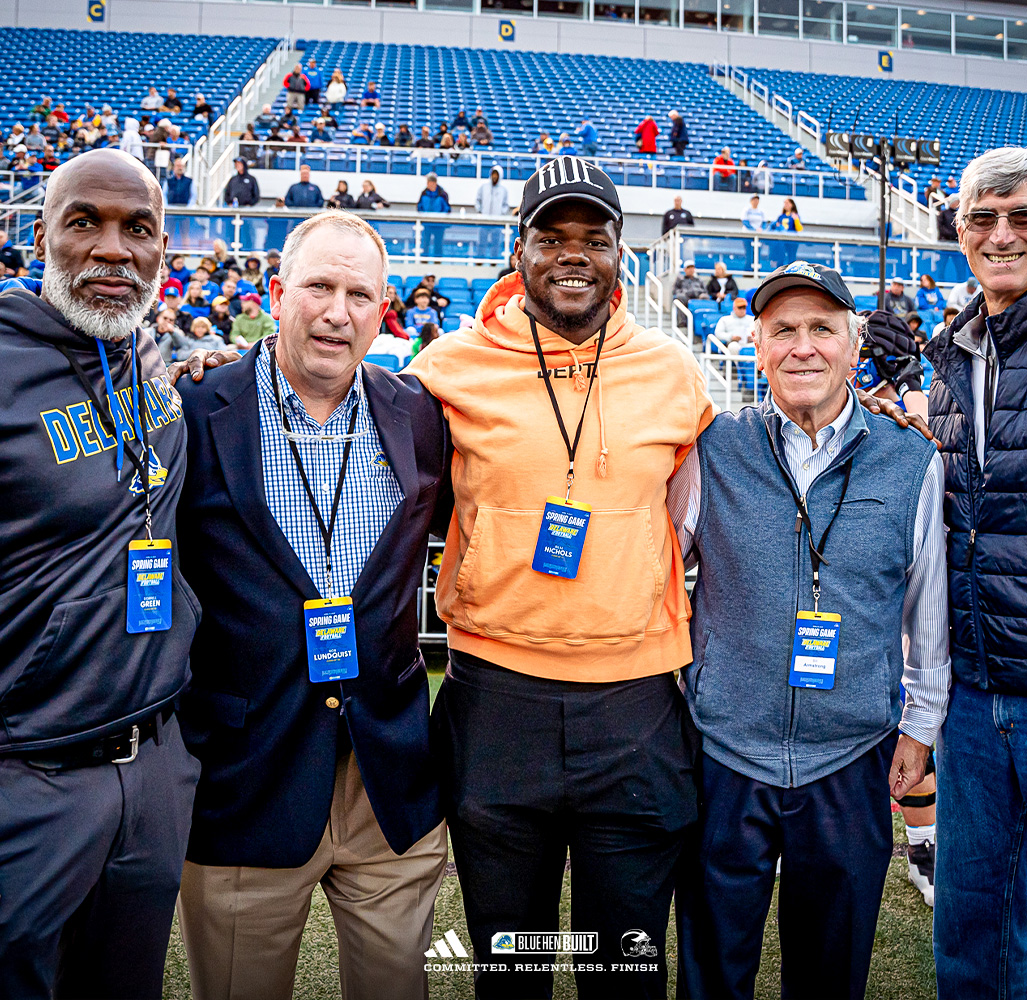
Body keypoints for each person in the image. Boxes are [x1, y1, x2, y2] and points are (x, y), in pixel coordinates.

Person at [404, 157, 713, 998]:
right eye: (551, 236)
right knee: (513, 970)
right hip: (496, 699)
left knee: (626, 969)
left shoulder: (675, 373)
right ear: (519, 249)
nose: (573, 255)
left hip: (639, 705)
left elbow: (702, 514)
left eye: (596, 239)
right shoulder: (446, 369)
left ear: (621, 255)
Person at [173, 211, 452, 1000]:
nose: (338, 311)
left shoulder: (420, 415)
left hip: (388, 783)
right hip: (247, 781)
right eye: (319, 287)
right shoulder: (196, 408)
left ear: (383, 307)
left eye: (360, 293)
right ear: (276, 292)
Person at [673, 259, 947, 1000]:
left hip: (851, 755)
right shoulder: (713, 447)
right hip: (727, 751)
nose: (803, 347)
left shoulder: (910, 458)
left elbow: (928, 609)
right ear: (755, 347)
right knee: (712, 973)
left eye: (822, 329)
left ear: (853, 346)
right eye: (782, 330)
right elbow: (657, 576)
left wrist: (919, 727)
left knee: (831, 976)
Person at [0, 149, 201, 998]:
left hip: (154, 765)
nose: (113, 248)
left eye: (138, 229)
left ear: (163, 251)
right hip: (26, 771)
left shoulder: (150, 357)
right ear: (41, 234)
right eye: (86, 221)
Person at [924, 147, 1027, 999]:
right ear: (959, 230)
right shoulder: (950, 356)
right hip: (974, 698)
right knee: (970, 937)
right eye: (984, 218)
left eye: (1024, 216)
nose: (1003, 234)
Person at [417, 174, 451, 258]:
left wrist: (441, 218)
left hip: (439, 224)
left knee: (438, 244)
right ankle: (424, 260)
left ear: (434, 183)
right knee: (425, 243)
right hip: (427, 224)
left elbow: (447, 209)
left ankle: (437, 261)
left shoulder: (443, 194)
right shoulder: (424, 193)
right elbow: (419, 207)